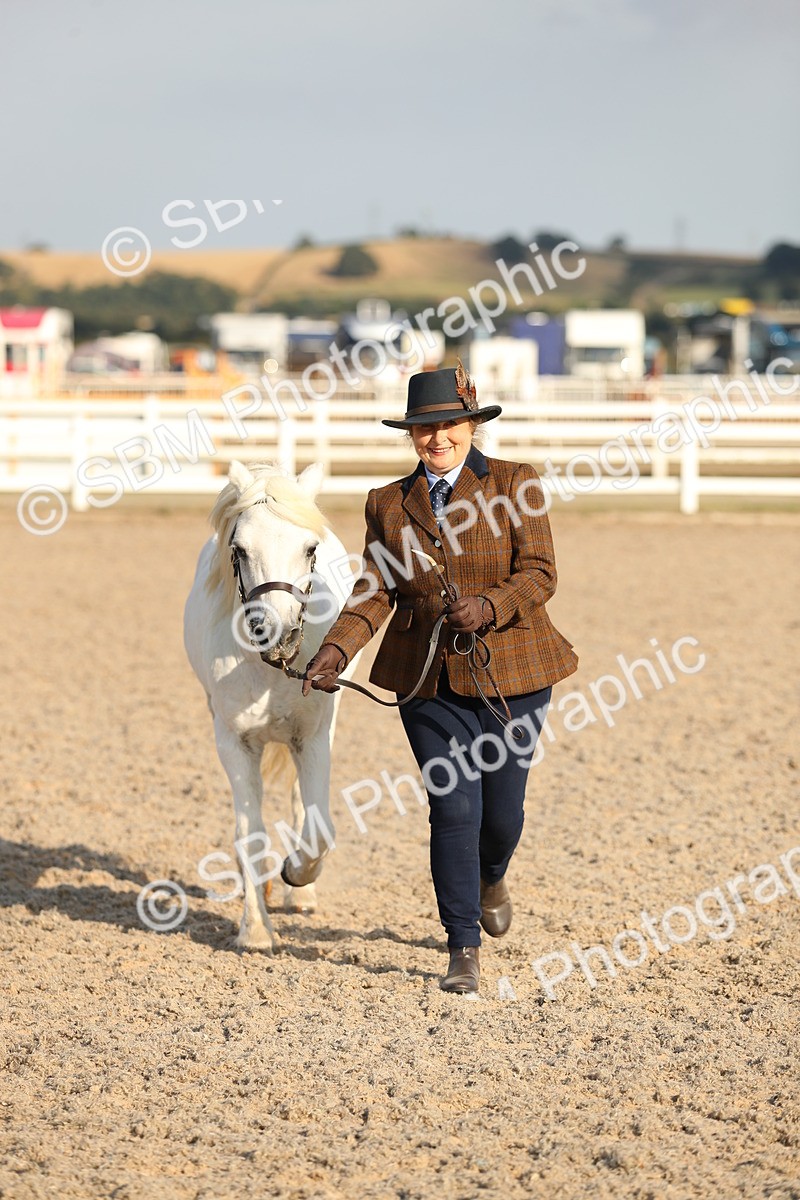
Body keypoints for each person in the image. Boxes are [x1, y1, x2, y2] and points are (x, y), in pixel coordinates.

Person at [302, 362, 578, 994]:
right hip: (426, 681)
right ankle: (462, 946)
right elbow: (374, 590)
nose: (438, 439)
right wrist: (336, 651)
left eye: (450, 425)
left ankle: (492, 875)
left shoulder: (517, 483)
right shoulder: (387, 504)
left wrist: (490, 605)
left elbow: (540, 573)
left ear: (471, 425)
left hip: (515, 675)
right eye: (425, 430)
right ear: (411, 436)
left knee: (501, 815)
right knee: (453, 808)